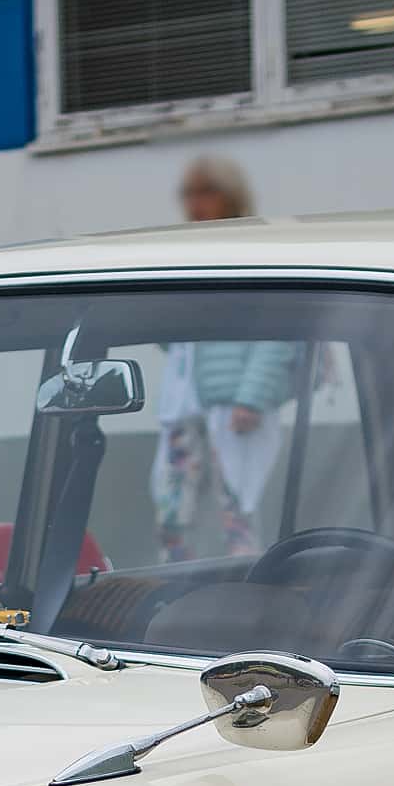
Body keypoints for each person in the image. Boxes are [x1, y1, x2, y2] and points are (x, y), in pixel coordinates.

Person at [155, 157, 303, 556]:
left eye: (207, 192)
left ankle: (250, 594)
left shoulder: (254, 251)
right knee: (173, 513)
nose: (195, 204)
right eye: (189, 194)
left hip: (235, 408)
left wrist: (252, 398)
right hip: (185, 406)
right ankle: (167, 596)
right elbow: (174, 338)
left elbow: (277, 331)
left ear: (232, 197)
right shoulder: (185, 253)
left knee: (238, 512)